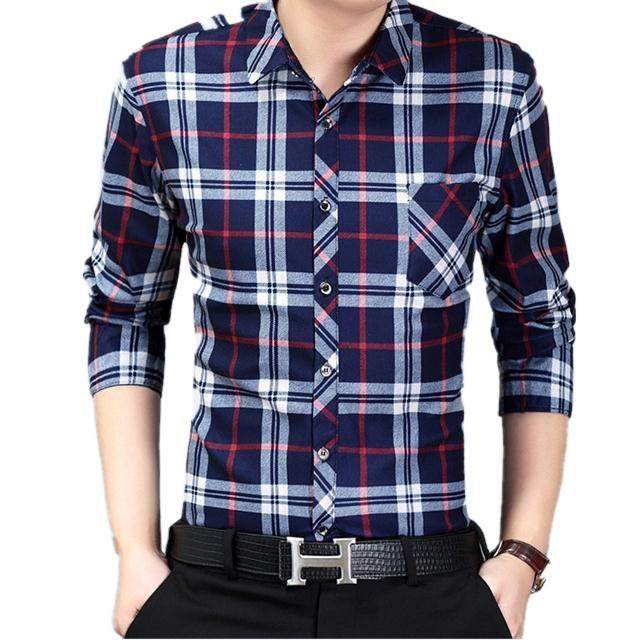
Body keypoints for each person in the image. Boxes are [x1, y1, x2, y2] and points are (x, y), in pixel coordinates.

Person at [82, 0, 576, 638]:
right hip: (215, 589)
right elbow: (125, 312)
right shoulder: (164, 85)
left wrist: (523, 552)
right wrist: (134, 550)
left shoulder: (493, 84)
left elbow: (537, 320)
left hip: (428, 594)